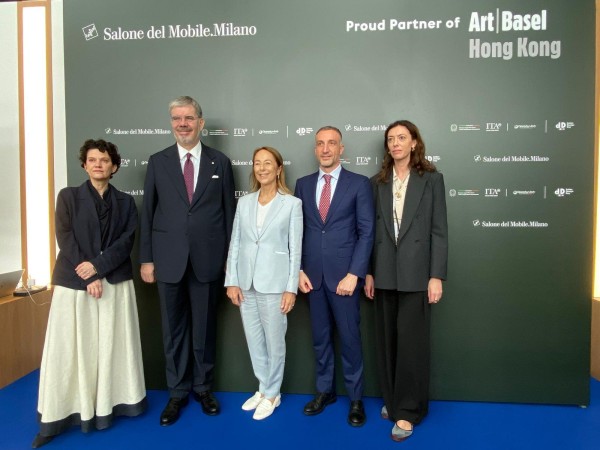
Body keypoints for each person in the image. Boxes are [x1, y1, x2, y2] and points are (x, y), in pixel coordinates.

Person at [33, 139, 146, 448]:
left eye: (105, 160)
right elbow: (65, 238)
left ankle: (110, 405)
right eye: (93, 160)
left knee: (111, 346)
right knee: (69, 350)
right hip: (73, 284)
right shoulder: (68, 197)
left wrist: (98, 268)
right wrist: (89, 275)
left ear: (114, 167)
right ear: (84, 165)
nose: (98, 164)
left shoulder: (126, 202)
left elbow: (126, 242)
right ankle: (59, 416)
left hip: (113, 282)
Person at [139, 96, 235, 426]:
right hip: (168, 261)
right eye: (177, 118)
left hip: (208, 260)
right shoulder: (158, 161)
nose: (183, 124)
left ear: (200, 123)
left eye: (189, 118)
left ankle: (203, 388)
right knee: (173, 330)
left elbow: (229, 214)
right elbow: (148, 213)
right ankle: (177, 392)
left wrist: (231, 260)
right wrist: (147, 259)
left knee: (204, 330)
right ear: (171, 123)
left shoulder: (220, 162)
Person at [364, 120, 448, 442]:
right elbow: (370, 232)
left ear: (414, 143)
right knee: (387, 344)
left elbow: (439, 231)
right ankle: (393, 400)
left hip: (417, 275)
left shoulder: (432, 180)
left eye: (402, 138)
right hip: (384, 272)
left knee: (412, 347)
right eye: (391, 139)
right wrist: (369, 271)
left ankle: (408, 411)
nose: (395, 143)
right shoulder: (377, 182)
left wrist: (436, 275)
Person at [294, 126, 374, 427]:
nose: (325, 149)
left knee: (350, 340)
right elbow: (297, 232)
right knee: (320, 339)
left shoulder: (359, 184)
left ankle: (355, 399)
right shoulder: (302, 184)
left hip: (345, 279)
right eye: (320, 144)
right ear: (315, 149)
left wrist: (355, 273)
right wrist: (299, 270)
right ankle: (325, 392)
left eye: (331, 143)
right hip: (312, 278)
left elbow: (367, 232)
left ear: (341, 149)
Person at [225, 146, 303, 420]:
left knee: (274, 343)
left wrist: (291, 288)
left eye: (268, 163)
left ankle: (272, 394)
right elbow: (235, 243)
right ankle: (263, 387)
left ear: (279, 168)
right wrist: (232, 281)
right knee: (255, 341)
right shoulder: (244, 203)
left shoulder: (291, 204)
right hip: (246, 283)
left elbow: (295, 250)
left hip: (275, 284)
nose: (262, 168)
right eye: (257, 163)